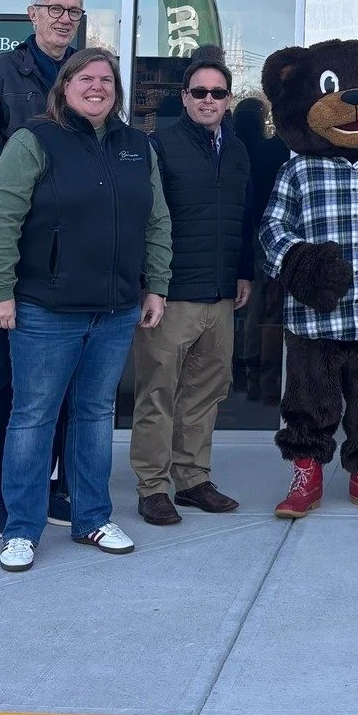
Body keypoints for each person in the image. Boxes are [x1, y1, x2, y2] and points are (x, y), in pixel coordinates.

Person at [0, 48, 171, 572]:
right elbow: (0, 219)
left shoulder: (137, 146)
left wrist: (156, 285)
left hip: (114, 310)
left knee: (94, 416)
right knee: (33, 417)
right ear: (64, 86)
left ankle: (92, 518)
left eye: (106, 79)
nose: (97, 87)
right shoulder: (34, 141)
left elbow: (156, 221)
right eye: (86, 77)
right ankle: (21, 529)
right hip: (46, 309)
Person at [0, 0, 84, 539]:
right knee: (1, 375)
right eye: (54, 9)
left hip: (70, 256)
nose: (63, 19)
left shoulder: (88, 76)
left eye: (73, 12)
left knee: (60, 379)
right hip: (9, 253)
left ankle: (51, 482)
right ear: (32, 14)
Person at [129, 55, 253, 526]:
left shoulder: (237, 150)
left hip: (220, 295)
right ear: (184, 97)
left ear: (227, 100)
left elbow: (243, 216)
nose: (208, 100)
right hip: (171, 295)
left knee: (205, 393)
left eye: (217, 93)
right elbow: (146, 221)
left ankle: (193, 479)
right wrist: (151, 287)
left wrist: (243, 272)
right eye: (199, 92)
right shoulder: (158, 147)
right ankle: (152, 486)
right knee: (158, 394)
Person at [232, 96, 288, 404]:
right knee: (270, 304)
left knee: (253, 301)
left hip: (248, 230)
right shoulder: (277, 151)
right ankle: (265, 377)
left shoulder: (235, 149)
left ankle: (252, 372)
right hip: (273, 232)